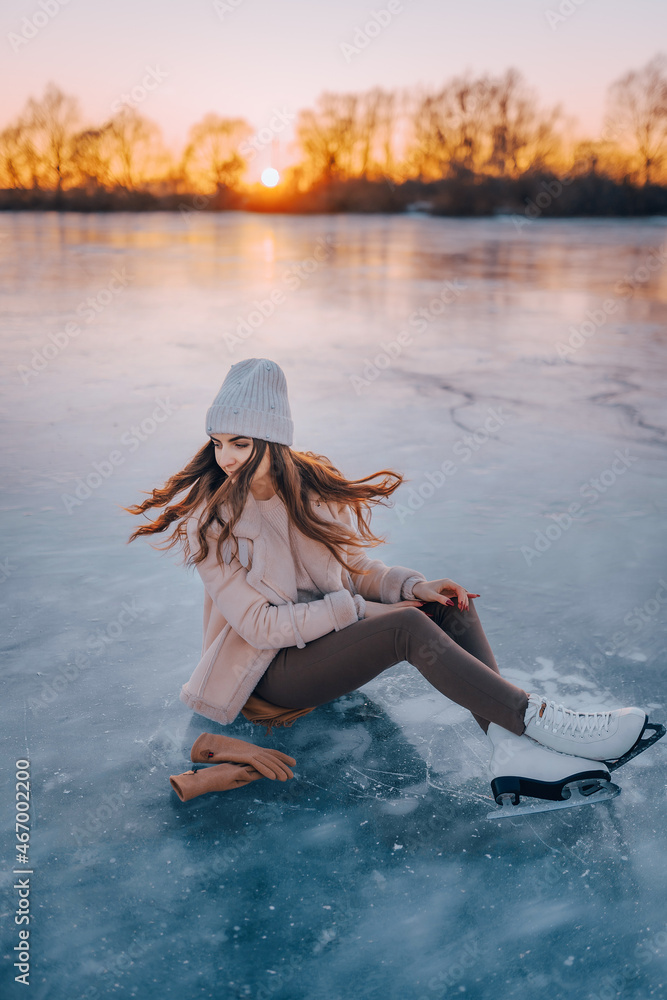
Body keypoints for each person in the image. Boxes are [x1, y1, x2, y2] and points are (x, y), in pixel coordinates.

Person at [126, 358, 649, 801]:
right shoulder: (212, 524)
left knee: (448, 607)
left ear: (272, 440)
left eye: (240, 443)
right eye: (218, 443)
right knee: (407, 631)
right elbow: (261, 628)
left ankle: (516, 755)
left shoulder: (304, 494)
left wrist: (410, 588)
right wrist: (366, 612)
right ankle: (549, 723)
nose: (227, 458)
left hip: (319, 647)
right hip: (264, 678)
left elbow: (353, 570)